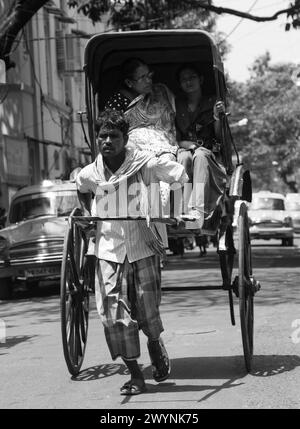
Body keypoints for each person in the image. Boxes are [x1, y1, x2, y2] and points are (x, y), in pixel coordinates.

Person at [75, 109, 189, 396]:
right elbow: (80, 187)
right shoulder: (91, 173)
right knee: (113, 316)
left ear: (125, 139)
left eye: (114, 136)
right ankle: (136, 374)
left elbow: (180, 174)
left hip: (143, 245)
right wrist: (90, 216)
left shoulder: (144, 164)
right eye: (102, 136)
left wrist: (172, 202)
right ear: (97, 139)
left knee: (147, 311)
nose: (107, 141)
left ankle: (154, 342)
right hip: (108, 250)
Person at [175, 63, 228, 231]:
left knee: (200, 155)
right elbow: (173, 136)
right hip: (184, 149)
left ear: (201, 79)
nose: (188, 82)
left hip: (209, 154)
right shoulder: (176, 105)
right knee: (184, 157)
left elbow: (220, 137)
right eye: (184, 79)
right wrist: (186, 145)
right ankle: (181, 210)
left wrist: (217, 117)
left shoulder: (214, 102)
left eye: (192, 77)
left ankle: (197, 209)